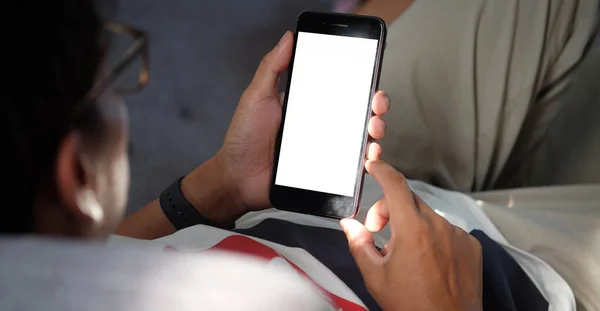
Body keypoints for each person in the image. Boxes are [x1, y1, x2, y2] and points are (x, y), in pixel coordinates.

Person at [1, 0, 589, 310]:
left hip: (292, 203)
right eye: (115, 82)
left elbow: (87, 243)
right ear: (76, 174)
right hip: (503, 283)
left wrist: (222, 186)